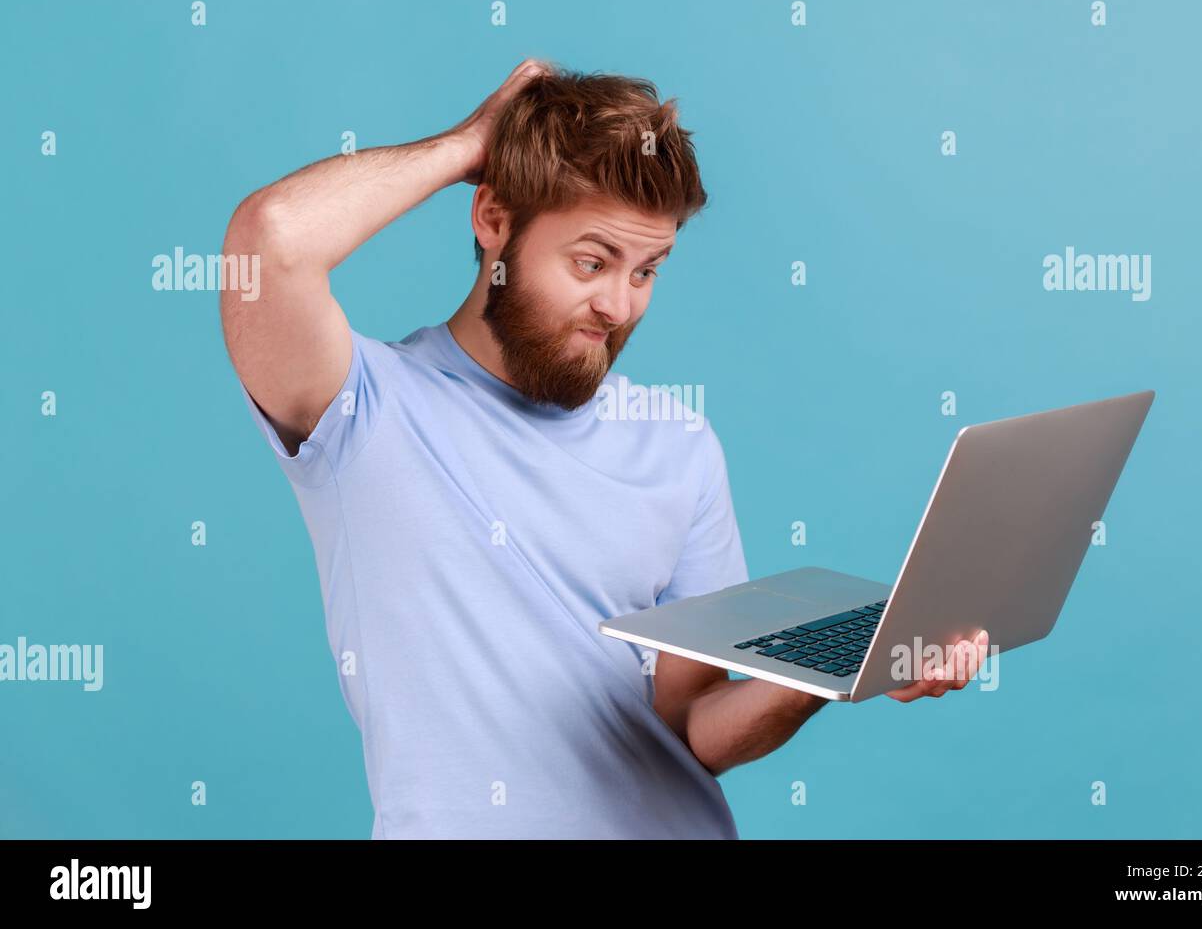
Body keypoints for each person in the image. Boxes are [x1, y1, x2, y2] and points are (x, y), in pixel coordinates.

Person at [219, 59, 986, 838]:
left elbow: (693, 725)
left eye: (647, 271)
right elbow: (267, 241)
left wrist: (832, 664)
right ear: (494, 221)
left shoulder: (677, 444)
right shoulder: (363, 411)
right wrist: (467, 145)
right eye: (591, 263)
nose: (618, 307)